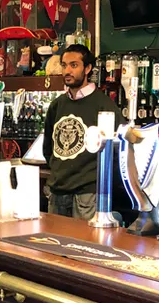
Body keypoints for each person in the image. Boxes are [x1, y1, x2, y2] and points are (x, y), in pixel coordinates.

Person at [42, 44, 123, 220]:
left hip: (88, 195)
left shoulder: (104, 106)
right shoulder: (57, 105)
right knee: (53, 245)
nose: (67, 71)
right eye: (64, 65)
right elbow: (48, 147)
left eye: (73, 65)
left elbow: (117, 154)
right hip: (57, 193)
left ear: (87, 69)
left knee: (84, 246)